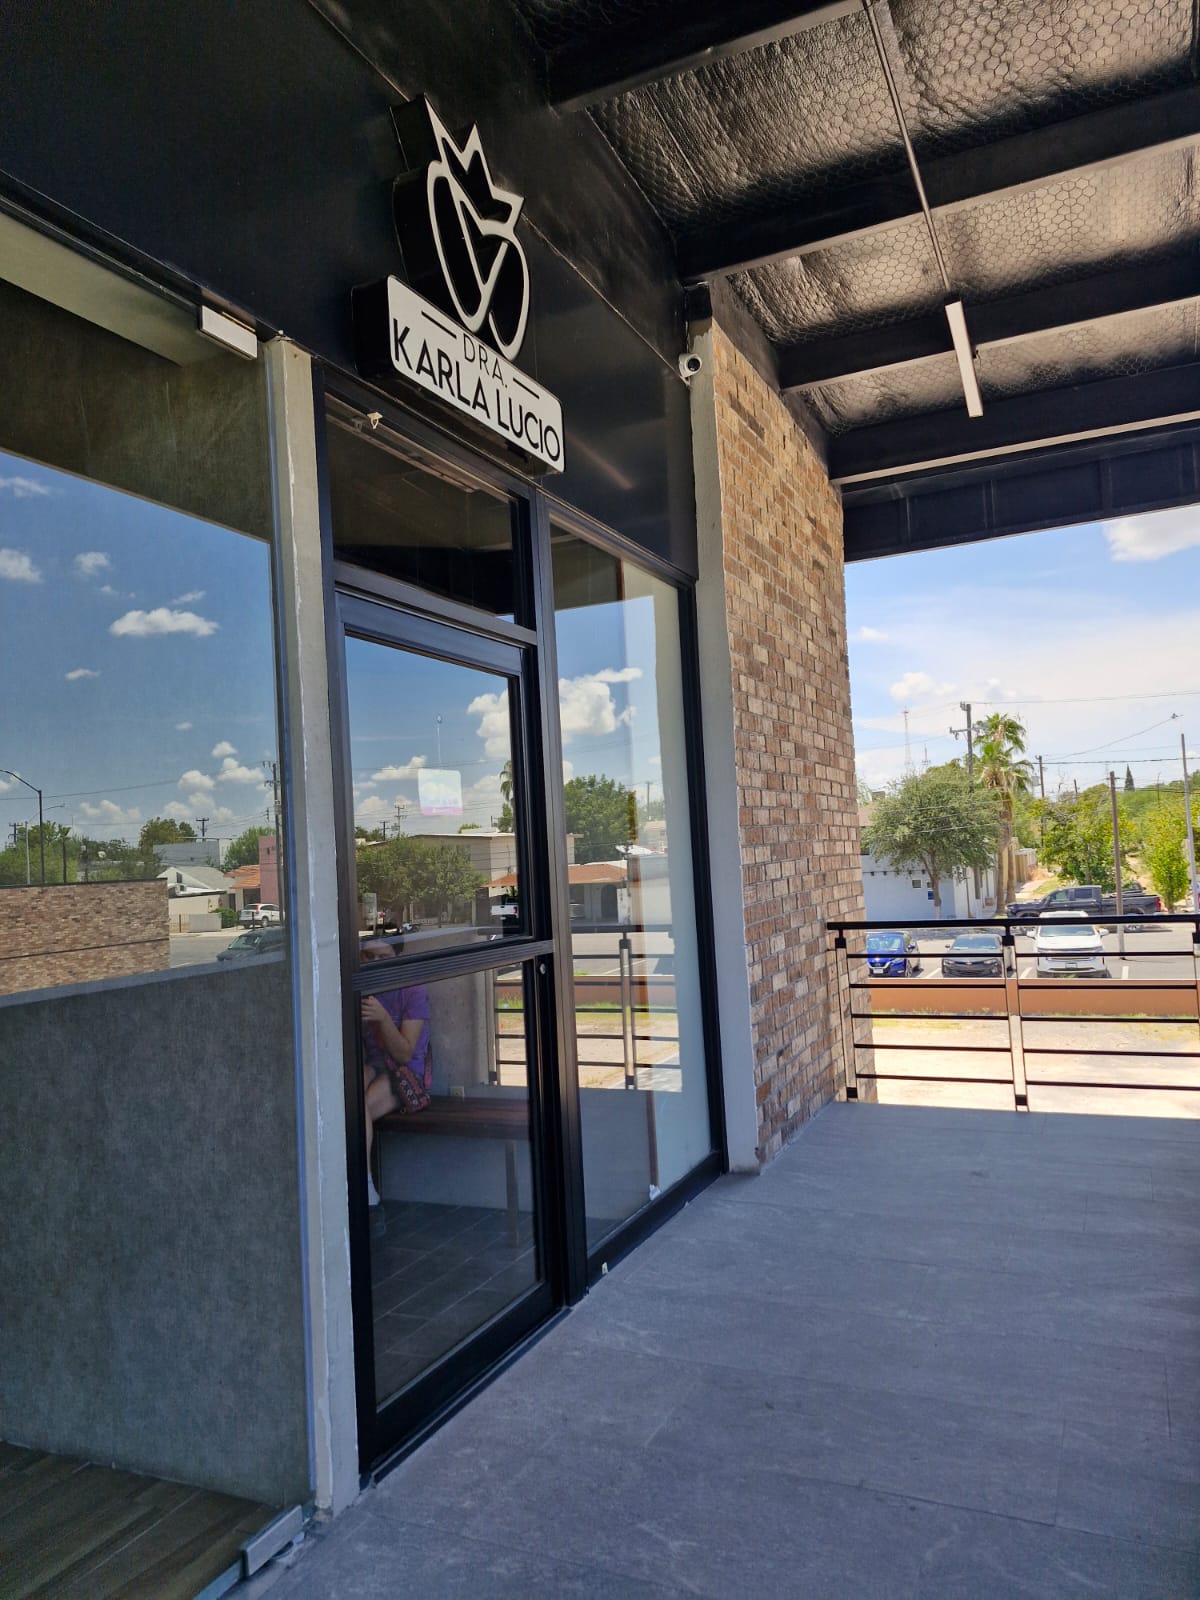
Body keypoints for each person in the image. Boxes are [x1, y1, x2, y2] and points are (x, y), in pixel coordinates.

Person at [360, 938, 431, 1238]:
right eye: (369, 957)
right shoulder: (360, 986)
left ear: (397, 956)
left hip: (405, 1074)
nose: (376, 965)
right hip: (374, 1064)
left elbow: (404, 1053)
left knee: (355, 1109)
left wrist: (382, 1019)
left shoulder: (412, 990)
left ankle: (366, 1194)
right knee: (345, 1095)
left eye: (384, 957)